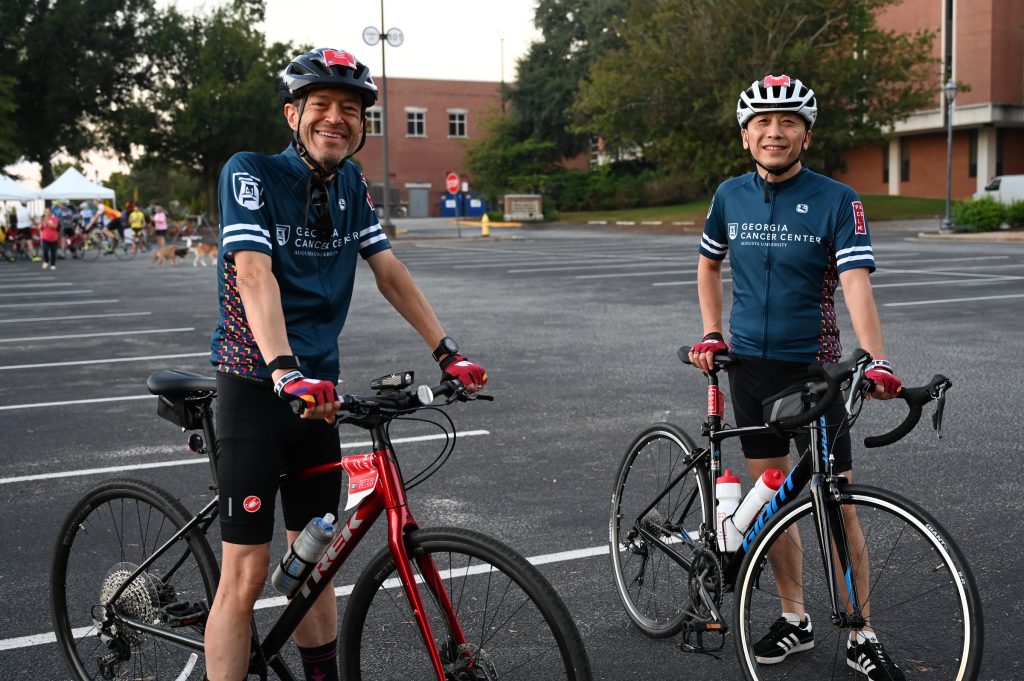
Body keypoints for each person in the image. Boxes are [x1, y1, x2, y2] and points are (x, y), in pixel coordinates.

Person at [205, 47, 488, 681]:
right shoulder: (249, 172)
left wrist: (447, 350)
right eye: (323, 105)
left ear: (363, 126)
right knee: (247, 573)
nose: (338, 118)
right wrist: (282, 367)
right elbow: (253, 273)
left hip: (316, 398)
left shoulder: (353, 184)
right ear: (292, 114)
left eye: (352, 110)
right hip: (258, 388)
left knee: (313, 561)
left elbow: (388, 269)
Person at [688, 75, 905, 681]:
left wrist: (875, 356)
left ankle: (862, 631)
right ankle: (795, 618)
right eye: (762, 122)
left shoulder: (839, 199)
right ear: (745, 134)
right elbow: (708, 266)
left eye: (787, 122)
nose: (774, 131)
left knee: (838, 501)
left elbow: (858, 281)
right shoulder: (729, 195)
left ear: (806, 134)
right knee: (773, 500)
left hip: (816, 373)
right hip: (751, 369)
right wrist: (711, 330)